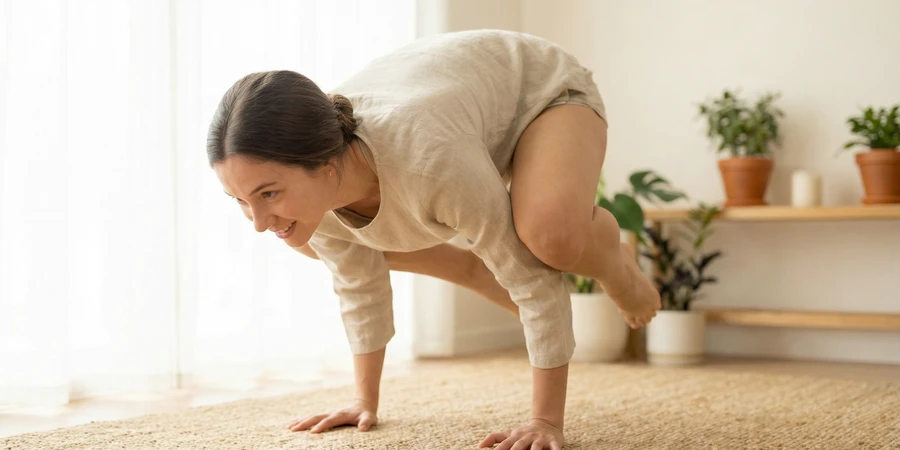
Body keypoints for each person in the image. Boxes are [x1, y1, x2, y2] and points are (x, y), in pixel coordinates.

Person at [207, 29, 660, 450]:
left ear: (326, 166)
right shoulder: (315, 194)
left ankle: (612, 261)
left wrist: (544, 421)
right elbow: (358, 284)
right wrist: (365, 401)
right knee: (303, 239)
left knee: (548, 240)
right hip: (450, 105)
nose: (259, 222)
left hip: (541, 90)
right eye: (240, 199)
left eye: (268, 194)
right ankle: (472, 267)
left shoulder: (429, 160)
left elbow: (533, 279)